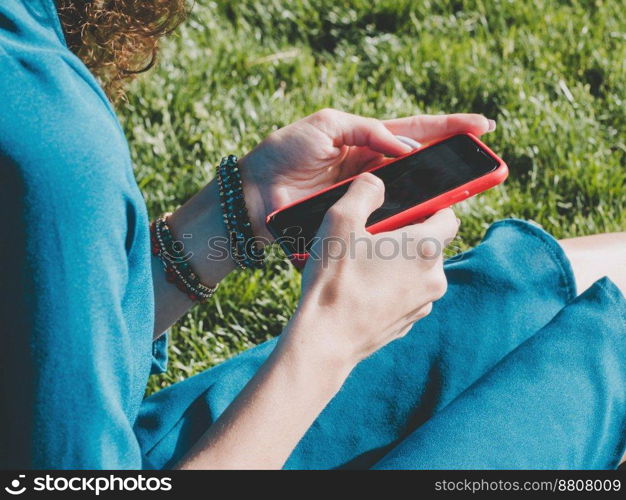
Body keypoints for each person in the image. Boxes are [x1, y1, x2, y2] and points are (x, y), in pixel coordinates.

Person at [1, 0, 625, 470]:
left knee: (518, 291)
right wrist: (332, 339)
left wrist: (236, 215)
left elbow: (43, 359)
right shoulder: (50, 145)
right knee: (601, 354)